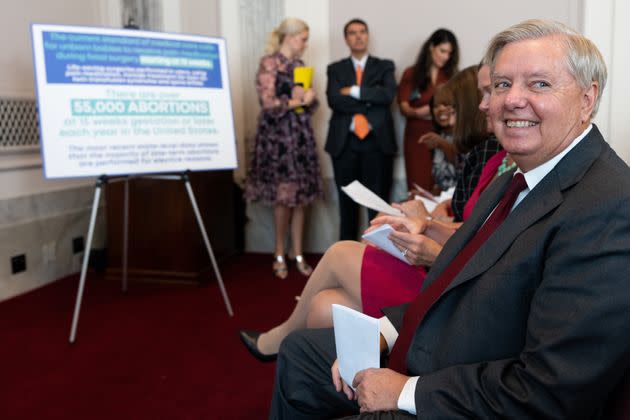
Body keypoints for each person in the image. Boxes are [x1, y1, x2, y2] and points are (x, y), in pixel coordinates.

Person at [270, 19, 630, 419]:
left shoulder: (609, 206)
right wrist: (384, 332)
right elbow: (450, 284)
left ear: (587, 98)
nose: (511, 100)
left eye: (539, 84)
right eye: (501, 84)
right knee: (301, 354)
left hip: (468, 395)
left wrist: (407, 392)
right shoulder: (513, 180)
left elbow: (551, 389)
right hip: (434, 350)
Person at [238, 65, 500, 362]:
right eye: (485, 93)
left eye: (491, 92)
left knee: (339, 253)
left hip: (449, 283)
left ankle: (281, 339)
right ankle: (331, 386)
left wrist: (429, 224)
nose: (484, 103)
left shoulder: (496, 157)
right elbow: (469, 220)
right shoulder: (493, 155)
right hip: (445, 264)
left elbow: (476, 234)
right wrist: (431, 219)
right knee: (323, 306)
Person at [244, 18, 323, 279]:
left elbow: (307, 106)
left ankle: (297, 252)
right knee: (284, 196)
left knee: (300, 197)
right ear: (290, 37)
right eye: (303, 38)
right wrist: (295, 100)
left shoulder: (300, 66)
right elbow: (267, 103)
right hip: (278, 139)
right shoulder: (270, 63)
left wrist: (310, 100)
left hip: (300, 136)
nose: (305, 44)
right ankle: (279, 252)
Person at [325, 18, 397, 241]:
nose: (358, 36)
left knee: (377, 206)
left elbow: (386, 96)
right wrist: (369, 96)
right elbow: (334, 100)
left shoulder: (385, 65)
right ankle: (344, 256)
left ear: (367, 35)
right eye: (352, 33)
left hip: (376, 142)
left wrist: (353, 91)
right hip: (344, 143)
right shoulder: (335, 69)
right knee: (346, 207)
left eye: (362, 32)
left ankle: (376, 259)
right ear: (346, 39)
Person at [398, 29, 459, 191]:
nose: (446, 57)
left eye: (449, 53)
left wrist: (431, 110)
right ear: (431, 47)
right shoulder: (411, 73)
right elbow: (404, 107)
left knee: (443, 183)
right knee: (418, 184)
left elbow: (458, 106)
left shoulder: (452, 75)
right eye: (442, 51)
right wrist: (426, 110)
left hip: (445, 133)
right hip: (416, 135)